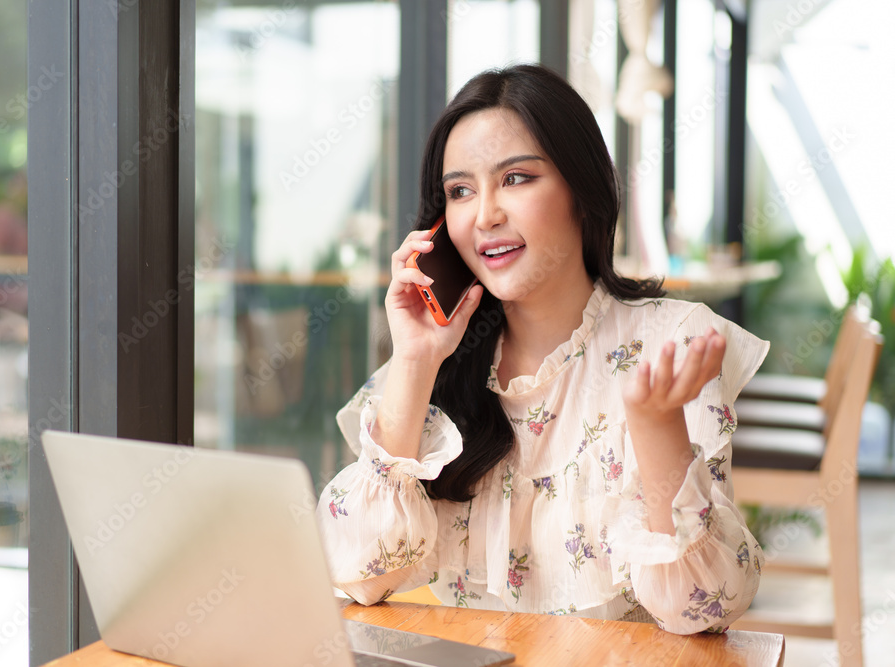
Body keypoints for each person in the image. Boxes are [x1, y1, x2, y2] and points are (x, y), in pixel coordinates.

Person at [315, 64, 769, 634]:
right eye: (460, 191)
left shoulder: (673, 340)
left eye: (516, 178)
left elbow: (704, 608)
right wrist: (415, 358)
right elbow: (358, 574)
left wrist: (656, 427)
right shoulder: (441, 363)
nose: (485, 216)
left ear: (582, 189)